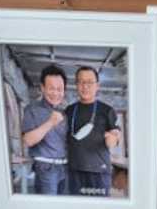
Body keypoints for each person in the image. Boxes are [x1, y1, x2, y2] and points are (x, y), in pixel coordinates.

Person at [65, 67, 120, 196]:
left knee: (99, 206)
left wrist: (112, 138)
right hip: (74, 171)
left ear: (97, 86)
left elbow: (115, 135)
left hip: (99, 172)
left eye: (89, 82)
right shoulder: (69, 110)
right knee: (76, 206)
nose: (85, 86)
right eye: (81, 82)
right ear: (76, 85)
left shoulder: (107, 110)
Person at [21, 64, 69, 195]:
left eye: (59, 89)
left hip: (65, 168)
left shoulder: (65, 112)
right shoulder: (32, 109)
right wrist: (50, 122)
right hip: (46, 169)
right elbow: (28, 140)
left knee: (65, 205)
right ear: (42, 88)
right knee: (50, 206)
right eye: (51, 88)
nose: (56, 93)